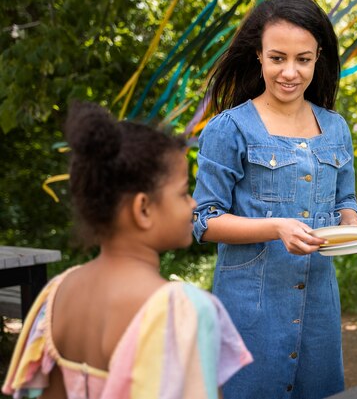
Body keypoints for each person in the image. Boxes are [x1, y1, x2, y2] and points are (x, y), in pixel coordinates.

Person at [2, 102, 252, 399]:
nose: (193, 204)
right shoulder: (181, 310)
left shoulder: (57, 294)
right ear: (143, 208)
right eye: (184, 192)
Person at [192, 0, 357, 399]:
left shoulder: (335, 128)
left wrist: (353, 226)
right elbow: (204, 220)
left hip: (319, 306)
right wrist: (275, 226)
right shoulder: (228, 128)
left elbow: (345, 201)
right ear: (258, 55)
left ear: (318, 56)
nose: (290, 72)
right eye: (277, 58)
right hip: (251, 309)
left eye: (303, 59)